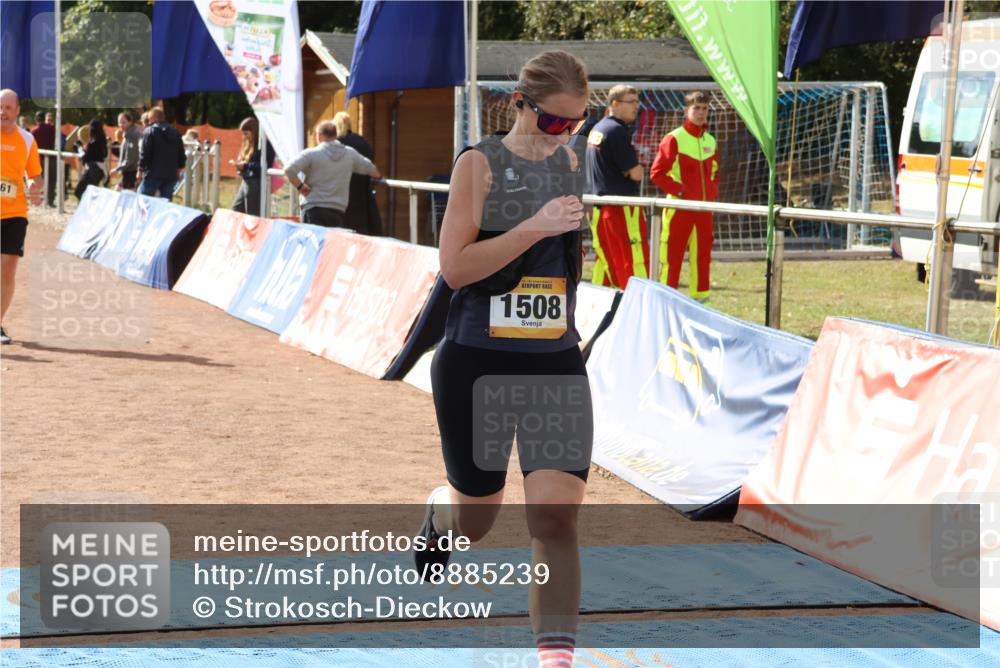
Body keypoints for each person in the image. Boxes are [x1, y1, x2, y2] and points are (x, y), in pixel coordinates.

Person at [413, 51, 591, 668]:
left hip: (554, 364)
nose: (565, 134)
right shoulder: (478, 164)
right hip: (477, 365)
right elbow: (455, 268)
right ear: (520, 104)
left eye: (577, 122)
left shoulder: (572, 160)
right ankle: (441, 516)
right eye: (553, 122)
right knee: (476, 521)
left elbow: (561, 266)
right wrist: (534, 227)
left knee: (556, 520)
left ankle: (554, 659)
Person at [650, 90, 719, 302]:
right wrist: (681, 192)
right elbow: (657, 173)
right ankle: (665, 299)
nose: (701, 112)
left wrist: (712, 197)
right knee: (671, 255)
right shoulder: (673, 138)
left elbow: (715, 173)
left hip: (705, 211)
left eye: (705, 108)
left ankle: (701, 299)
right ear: (686, 110)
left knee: (702, 256)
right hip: (679, 209)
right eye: (696, 108)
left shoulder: (710, 140)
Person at [585, 85, 649, 288]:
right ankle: (638, 306)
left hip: (598, 207)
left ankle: (601, 309)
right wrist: (633, 170)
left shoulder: (598, 128)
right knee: (632, 260)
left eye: (638, 102)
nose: (636, 107)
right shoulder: (617, 130)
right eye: (631, 102)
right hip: (621, 209)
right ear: (615, 104)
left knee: (606, 261)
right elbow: (636, 173)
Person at [1, 90, 43, 345]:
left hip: (15, 213)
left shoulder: (27, 140)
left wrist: (36, 186)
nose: (2, 112)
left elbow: (35, 175)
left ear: (17, 111)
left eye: (7, 107)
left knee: (6, 271)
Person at [283, 121, 381, 228]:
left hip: (313, 208)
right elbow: (372, 170)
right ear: (335, 135)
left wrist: (301, 187)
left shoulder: (311, 154)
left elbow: (289, 170)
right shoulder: (350, 154)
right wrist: (380, 177)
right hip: (337, 211)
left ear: (319, 136)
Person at [332, 111, 380, 235]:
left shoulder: (334, 145)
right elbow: (371, 165)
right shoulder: (363, 142)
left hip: (339, 197)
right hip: (362, 196)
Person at [230, 117, 275, 217]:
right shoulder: (249, 144)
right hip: (246, 182)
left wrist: (245, 166)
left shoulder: (265, 145)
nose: (244, 136)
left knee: (252, 216)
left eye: (246, 133)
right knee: (235, 211)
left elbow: (263, 166)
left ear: (253, 131)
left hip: (256, 184)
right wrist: (240, 165)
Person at [138, 107, 186, 200]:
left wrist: (140, 170)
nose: (149, 122)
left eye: (149, 119)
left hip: (153, 174)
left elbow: (145, 154)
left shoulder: (149, 131)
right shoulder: (175, 132)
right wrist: (178, 171)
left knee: (142, 200)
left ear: (153, 118)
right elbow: (181, 155)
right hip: (171, 175)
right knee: (165, 204)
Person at [73, 119, 108, 201]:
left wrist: (79, 148)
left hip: (93, 170)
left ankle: (87, 211)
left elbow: (86, 157)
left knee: (79, 192)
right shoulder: (102, 141)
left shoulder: (95, 142)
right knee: (89, 194)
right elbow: (104, 154)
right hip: (99, 170)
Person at [30, 111, 57, 207]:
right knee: (52, 180)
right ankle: (50, 201)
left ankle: (35, 200)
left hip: (38, 159)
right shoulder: (52, 129)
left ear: (36, 119)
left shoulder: (34, 131)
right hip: (52, 157)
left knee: (36, 180)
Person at [112, 113, 141, 191]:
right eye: (119, 122)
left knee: (121, 194)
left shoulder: (132, 136)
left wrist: (117, 169)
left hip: (132, 172)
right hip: (128, 172)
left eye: (123, 122)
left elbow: (130, 159)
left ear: (130, 122)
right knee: (117, 192)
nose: (121, 124)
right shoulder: (127, 134)